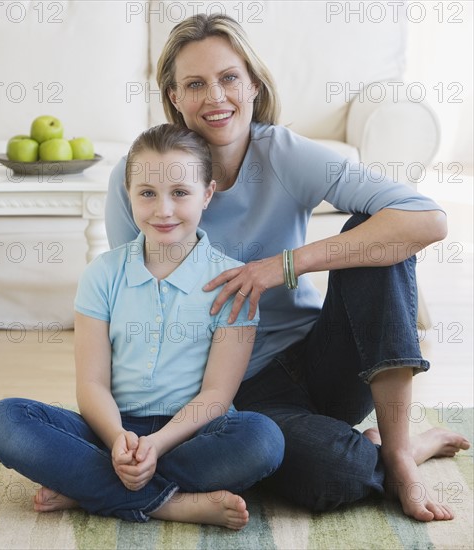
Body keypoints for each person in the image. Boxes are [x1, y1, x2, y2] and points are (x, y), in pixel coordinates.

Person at [105, 14, 470, 522]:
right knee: (335, 476)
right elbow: (132, 312)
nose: (216, 97)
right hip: (240, 392)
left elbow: (426, 220)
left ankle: (400, 452)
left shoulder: (282, 153)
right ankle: (385, 447)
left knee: (375, 233)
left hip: (324, 359)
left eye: (229, 77)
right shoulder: (142, 181)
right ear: (174, 97)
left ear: (252, 83)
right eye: (195, 83)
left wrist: (284, 266)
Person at [0, 123, 285, 530]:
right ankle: (171, 504)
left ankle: (89, 488)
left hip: (194, 435)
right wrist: (117, 441)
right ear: (129, 195)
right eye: (147, 193)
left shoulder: (235, 282)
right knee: (4, 420)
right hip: (109, 430)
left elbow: (217, 394)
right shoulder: (102, 274)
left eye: (180, 192)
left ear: (207, 194)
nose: (163, 210)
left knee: (264, 439)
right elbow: (92, 385)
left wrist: (156, 446)